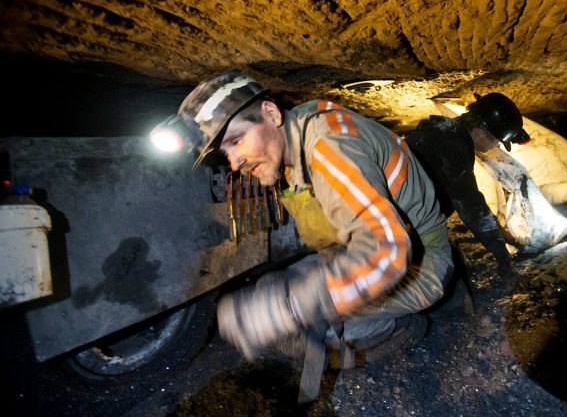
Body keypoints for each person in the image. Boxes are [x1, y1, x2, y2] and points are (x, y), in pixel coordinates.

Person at [166, 70, 454, 400]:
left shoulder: (329, 145)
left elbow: (388, 249)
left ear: (271, 114)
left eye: (237, 141)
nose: (234, 161)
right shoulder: (292, 146)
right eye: (225, 153)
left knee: (309, 324)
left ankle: (399, 330)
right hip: (358, 251)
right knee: (275, 293)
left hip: (423, 260)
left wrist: (292, 307)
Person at [405, 93, 531, 282]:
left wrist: (500, 231)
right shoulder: (450, 148)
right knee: (452, 279)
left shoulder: (443, 132)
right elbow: (473, 208)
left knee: (456, 263)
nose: (496, 146)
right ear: (479, 133)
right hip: (397, 226)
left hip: (406, 216)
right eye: (496, 141)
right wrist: (502, 256)